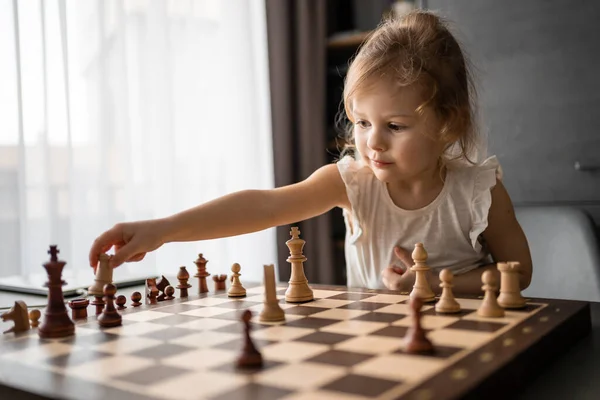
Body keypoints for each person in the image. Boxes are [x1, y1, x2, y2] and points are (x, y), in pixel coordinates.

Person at [88, 10, 532, 296]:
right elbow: (265, 205)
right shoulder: (352, 181)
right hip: (378, 351)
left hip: (467, 348)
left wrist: (437, 284)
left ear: (448, 123)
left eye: (394, 126)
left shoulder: (479, 191)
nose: (372, 142)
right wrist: (164, 229)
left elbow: (519, 272)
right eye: (361, 123)